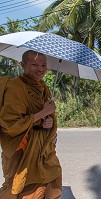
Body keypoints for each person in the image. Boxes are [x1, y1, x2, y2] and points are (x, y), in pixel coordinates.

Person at [0, 50, 62, 198]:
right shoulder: (15, 87)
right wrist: (42, 113)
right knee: (20, 190)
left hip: (43, 151)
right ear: (23, 65)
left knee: (53, 178)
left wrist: (49, 121)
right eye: (34, 64)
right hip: (21, 150)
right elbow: (10, 124)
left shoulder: (43, 88)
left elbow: (46, 120)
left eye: (43, 65)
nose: (40, 69)